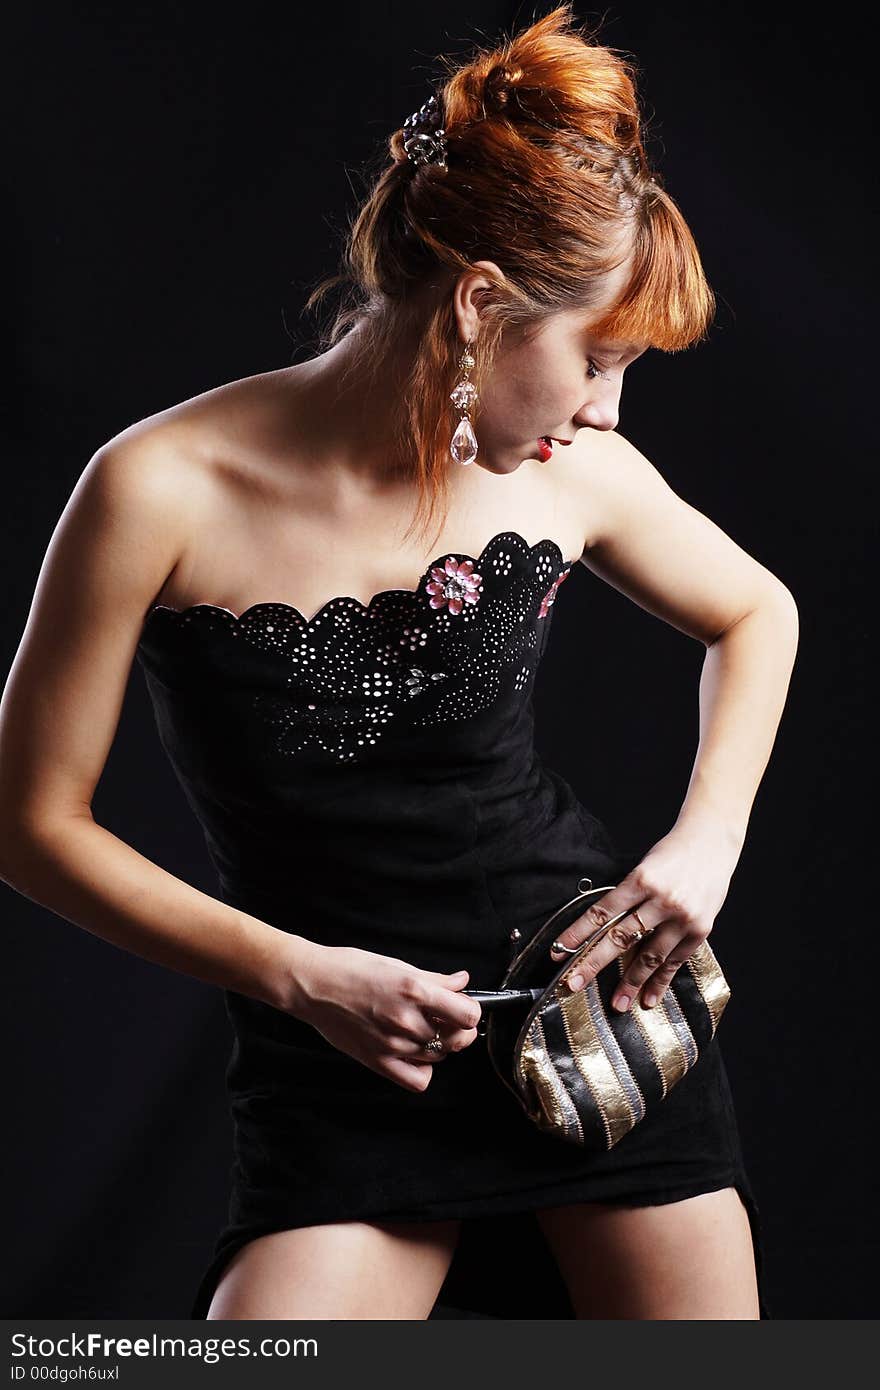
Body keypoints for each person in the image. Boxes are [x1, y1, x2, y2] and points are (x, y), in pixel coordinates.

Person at [0, 4, 798, 1320]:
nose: (608, 409)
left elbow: (758, 611)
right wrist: (297, 975)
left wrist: (705, 841)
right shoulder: (155, 487)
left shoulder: (574, 470)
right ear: (482, 304)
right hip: (341, 1062)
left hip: (588, 1017)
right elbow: (29, 824)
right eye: (599, 359)